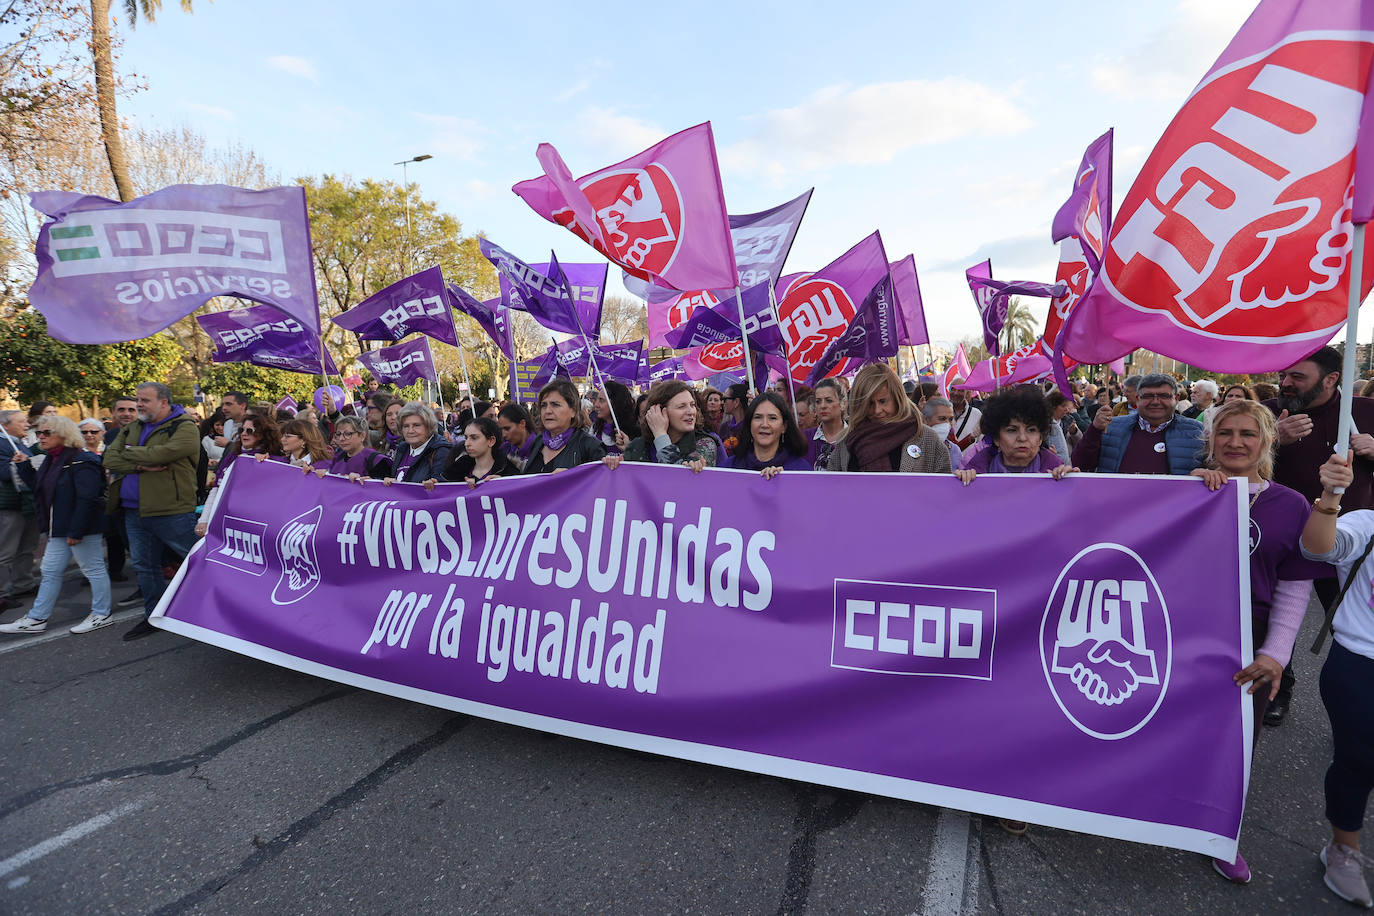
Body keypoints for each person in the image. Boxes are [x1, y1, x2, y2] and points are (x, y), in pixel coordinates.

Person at [1188, 399, 1327, 883]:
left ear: (1267, 442)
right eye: (1225, 433)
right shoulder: (1185, 491)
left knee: (1236, 742)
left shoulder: (1290, 505)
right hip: (1180, 636)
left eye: (1248, 434)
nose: (1235, 443)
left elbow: (1295, 587)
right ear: (1211, 441)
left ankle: (1220, 834)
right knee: (1167, 729)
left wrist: (1276, 654)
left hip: (1250, 642)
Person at [1262, 346, 1374, 728]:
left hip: (1348, 541)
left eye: (1297, 376)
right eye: (1284, 375)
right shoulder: (1270, 413)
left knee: (1355, 620)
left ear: (1330, 379)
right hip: (1283, 537)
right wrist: (1272, 440)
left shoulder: (1364, 412)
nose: (1286, 384)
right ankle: (1278, 690)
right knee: (1278, 618)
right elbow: (1236, 460)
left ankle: (1357, 698)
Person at [1299, 451, 1374, 907]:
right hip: (1360, 664)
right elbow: (1317, 548)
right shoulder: (1366, 523)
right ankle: (1344, 849)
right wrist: (1329, 496)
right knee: (1359, 762)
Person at [101, 382, 202, 641]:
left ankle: (220, 609)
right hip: (134, 511)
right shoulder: (133, 427)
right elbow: (110, 459)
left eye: (145, 400)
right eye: (139, 399)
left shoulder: (184, 426)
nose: (139, 405)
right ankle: (155, 616)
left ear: (164, 402)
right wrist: (140, 465)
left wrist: (132, 454)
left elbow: (166, 453)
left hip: (171, 510)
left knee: (200, 560)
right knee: (145, 567)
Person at [0, 417, 111, 635]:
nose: (40, 436)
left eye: (47, 432)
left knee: (93, 568)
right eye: (39, 432)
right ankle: (36, 618)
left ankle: (101, 614)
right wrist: (24, 466)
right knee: (49, 571)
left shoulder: (82, 459)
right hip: (59, 527)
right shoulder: (53, 459)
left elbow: (87, 499)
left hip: (80, 527)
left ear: (64, 433)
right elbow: (41, 489)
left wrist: (76, 531)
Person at [826, 364, 952, 473]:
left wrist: (962, 479)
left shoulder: (926, 437)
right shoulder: (847, 440)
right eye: (869, 403)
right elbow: (831, 487)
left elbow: (944, 487)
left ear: (897, 398)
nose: (877, 410)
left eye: (883, 401)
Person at [1071, 373, 1204, 475]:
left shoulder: (1196, 432)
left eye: (1164, 396)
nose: (1156, 402)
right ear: (1137, 399)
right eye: (1148, 396)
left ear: (1176, 398)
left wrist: (1209, 473)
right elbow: (1081, 463)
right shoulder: (1110, 426)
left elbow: (1214, 471)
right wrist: (1094, 430)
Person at [953, 387, 1075, 483]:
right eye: (1012, 430)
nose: (1022, 438)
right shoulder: (977, 471)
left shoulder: (1056, 470)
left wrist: (1073, 481)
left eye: (1031, 430)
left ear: (1040, 438)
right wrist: (962, 482)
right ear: (996, 438)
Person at [621, 380, 717, 469]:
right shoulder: (636, 445)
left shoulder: (705, 444)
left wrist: (661, 435)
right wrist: (613, 464)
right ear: (658, 411)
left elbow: (675, 478)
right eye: (681, 406)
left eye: (692, 405)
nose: (691, 411)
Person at [521, 381, 606, 474]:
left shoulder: (590, 446)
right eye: (543, 405)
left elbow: (600, 483)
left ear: (573, 411)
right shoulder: (538, 442)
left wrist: (571, 479)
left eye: (555, 405)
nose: (547, 411)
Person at [0, 410, 38, 613]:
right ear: (5, 425)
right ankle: (2, 594)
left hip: (26, 504)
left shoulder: (19, 443)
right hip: (10, 506)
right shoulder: (2, 444)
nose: (27, 424)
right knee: (5, 551)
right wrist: (17, 464)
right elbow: (4, 473)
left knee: (26, 547)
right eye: (22, 421)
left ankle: (24, 584)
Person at [724, 392, 811, 476]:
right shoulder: (729, 468)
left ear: (784, 426)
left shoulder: (800, 470)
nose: (765, 424)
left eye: (772, 418)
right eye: (758, 417)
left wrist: (785, 481)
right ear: (749, 423)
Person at [382, 402, 453, 484]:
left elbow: (444, 488)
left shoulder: (441, 451)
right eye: (406, 426)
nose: (410, 431)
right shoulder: (402, 449)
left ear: (428, 426)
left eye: (416, 425)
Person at [433, 417, 516, 486]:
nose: (467, 443)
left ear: (491, 441)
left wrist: (504, 484)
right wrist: (435, 486)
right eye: (466, 438)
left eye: (474, 438)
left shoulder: (509, 472)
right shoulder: (458, 468)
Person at [809, 378, 848, 471]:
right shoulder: (804, 438)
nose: (823, 406)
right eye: (818, 401)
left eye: (829, 400)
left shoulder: (855, 437)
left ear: (843, 404)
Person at [590, 381, 636, 455]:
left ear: (615, 403)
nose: (596, 405)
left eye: (601, 400)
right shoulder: (595, 428)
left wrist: (628, 450)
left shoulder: (634, 432)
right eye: (597, 399)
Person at [919, 396, 963, 470]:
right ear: (926, 420)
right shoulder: (914, 447)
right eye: (942, 419)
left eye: (951, 419)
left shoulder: (955, 450)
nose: (947, 423)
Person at [497, 403, 536, 470]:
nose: (503, 435)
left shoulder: (541, 449)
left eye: (507, 428)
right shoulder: (504, 450)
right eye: (501, 430)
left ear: (522, 423)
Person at [717, 383, 748, 455]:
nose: (722, 402)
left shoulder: (751, 428)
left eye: (725, 399)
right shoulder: (724, 427)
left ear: (736, 402)